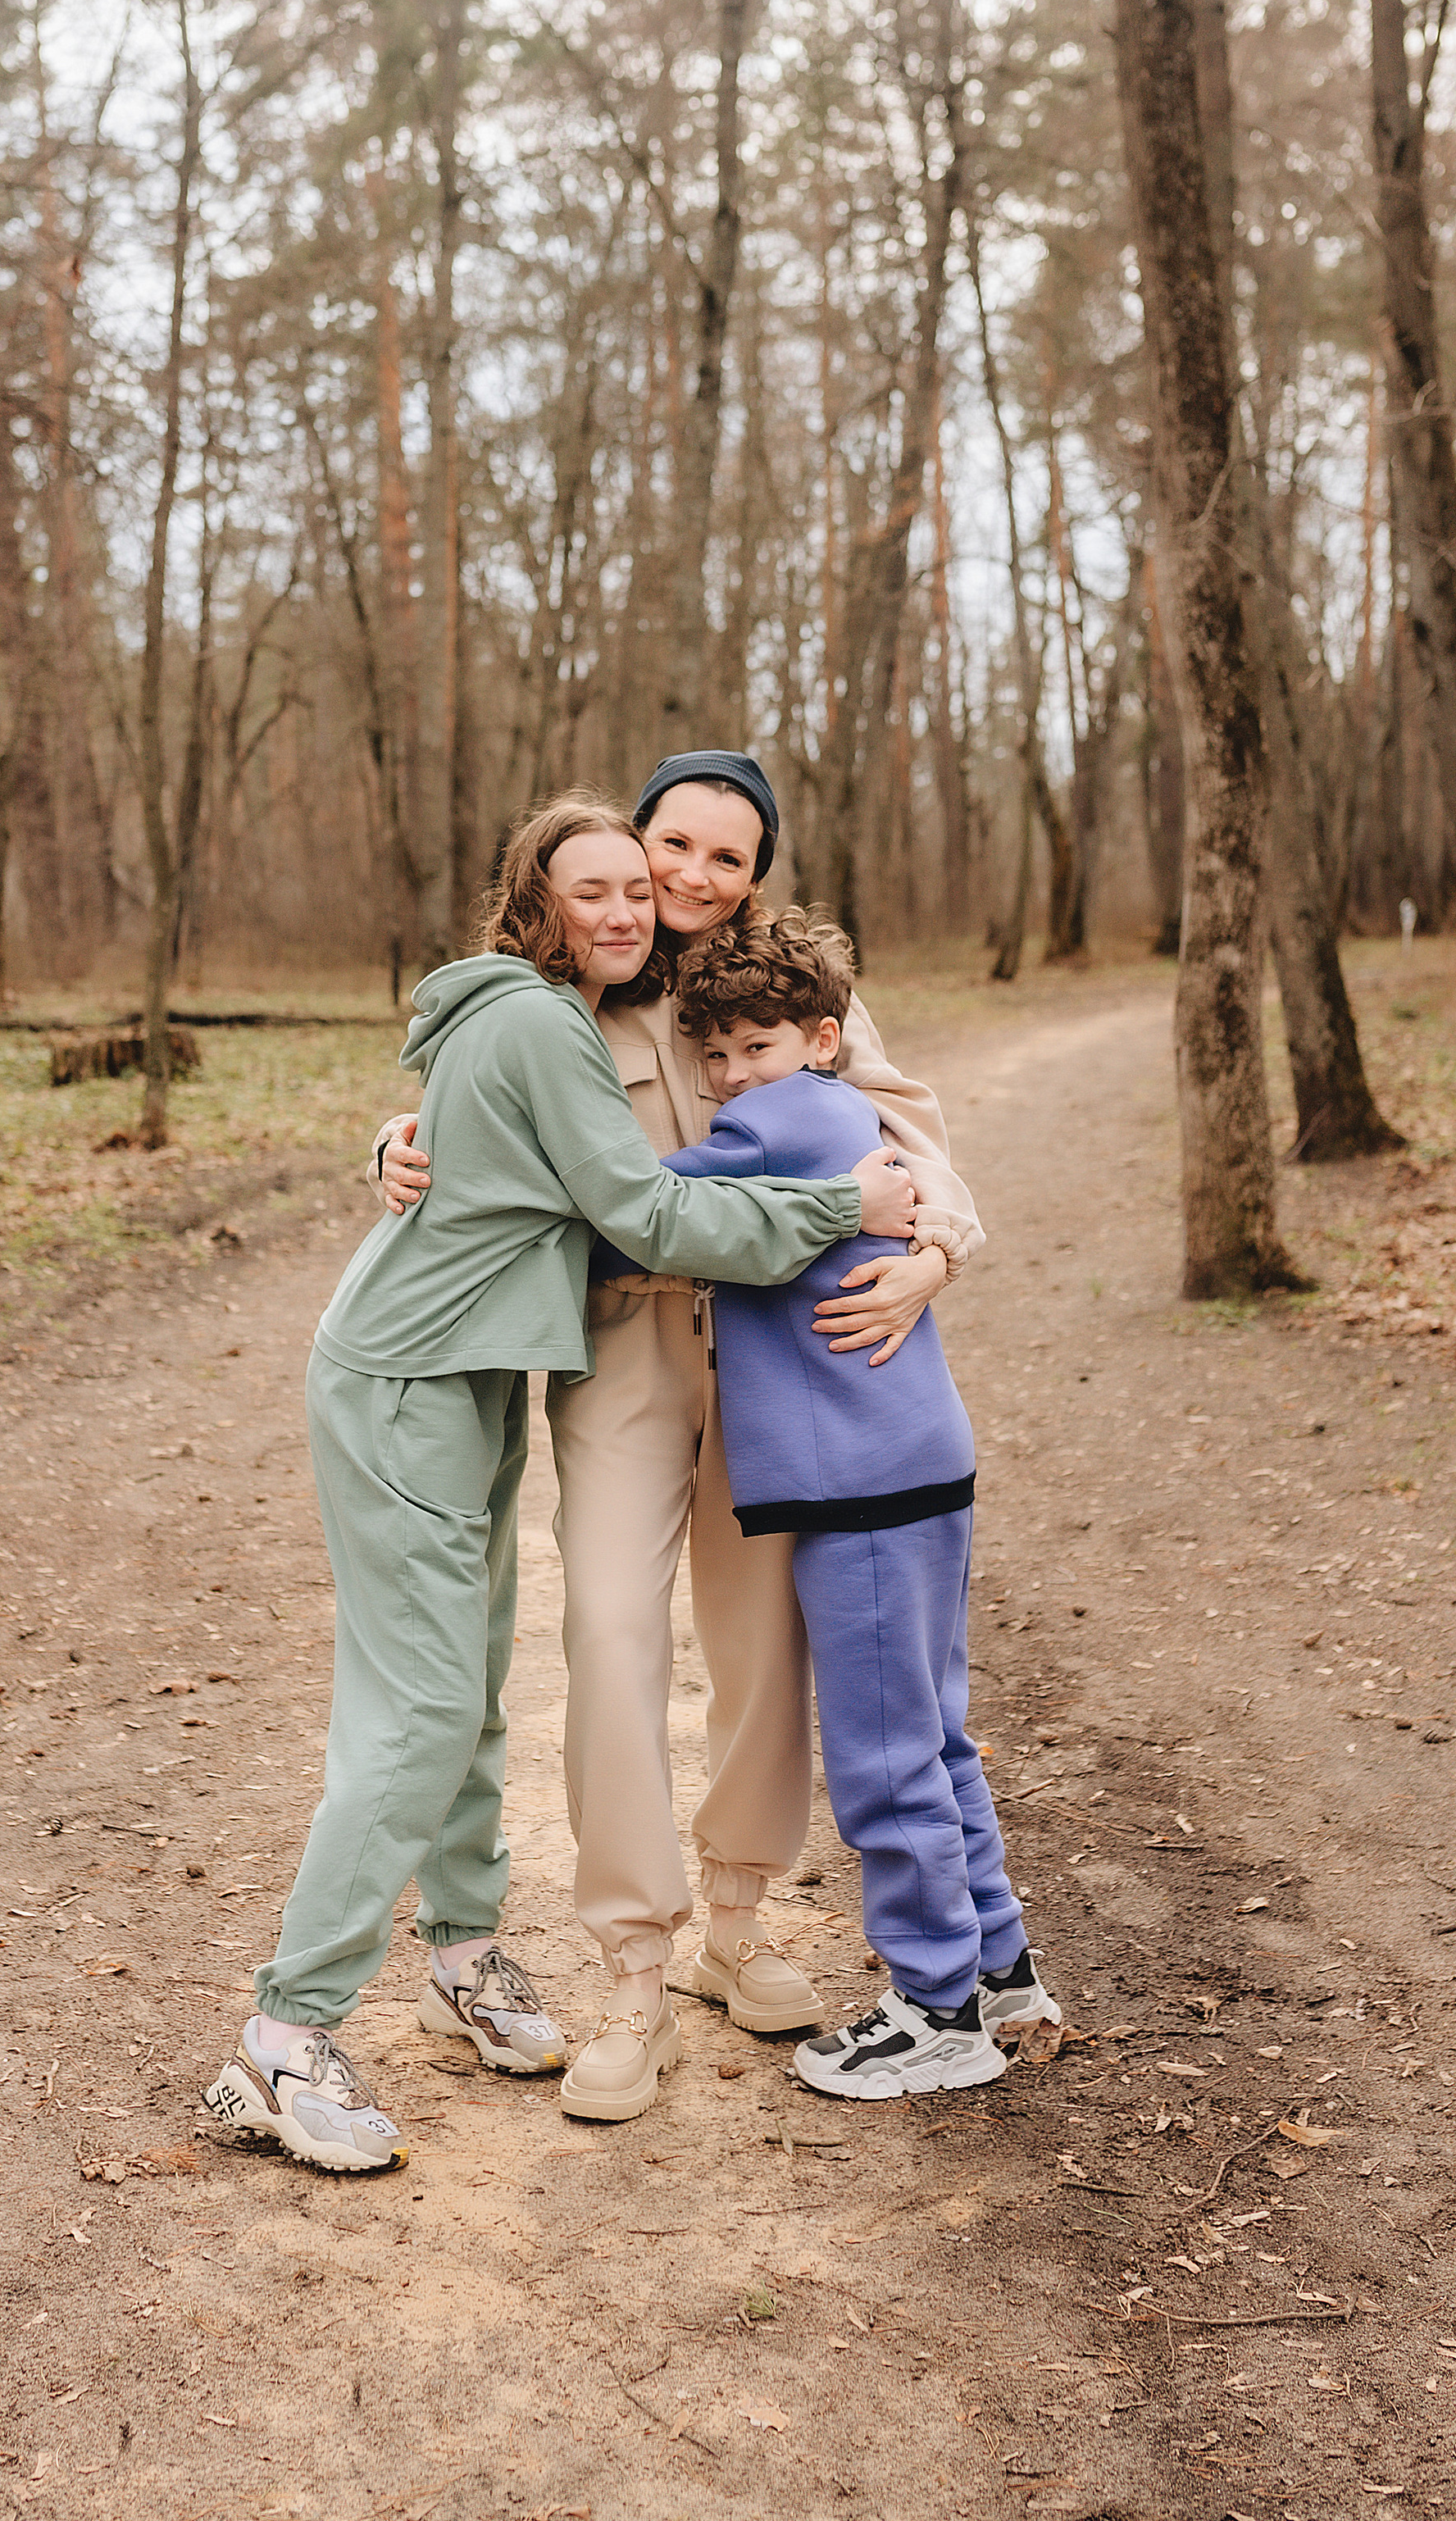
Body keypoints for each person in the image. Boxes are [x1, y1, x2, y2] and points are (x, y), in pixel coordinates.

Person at [201, 797, 917, 2176]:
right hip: (425, 1372)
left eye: (634, 890)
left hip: (478, 1375)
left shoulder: (625, 1002)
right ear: (536, 905)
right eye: (598, 886)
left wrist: (926, 1234)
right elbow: (641, 1210)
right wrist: (838, 1208)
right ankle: (282, 2037)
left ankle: (468, 1953)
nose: (632, 905)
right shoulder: (541, 1019)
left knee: (466, 1687)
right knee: (425, 1706)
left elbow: (880, 1123)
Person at [372, 748, 985, 2124]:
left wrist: (938, 1249)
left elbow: (912, 1144)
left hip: (779, 1357)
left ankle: (735, 1925)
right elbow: (468, 1100)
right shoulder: (564, 982)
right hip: (621, 1346)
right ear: (627, 842)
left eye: (728, 857)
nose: (692, 877)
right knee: (609, 1630)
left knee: (764, 1643)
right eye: (673, 845)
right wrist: (393, 1145)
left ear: (757, 878)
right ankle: (631, 1973)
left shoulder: (792, 990)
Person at [657, 907, 1060, 2099]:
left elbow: (643, 1213)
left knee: (884, 1757)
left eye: (758, 1046)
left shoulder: (775, 1125)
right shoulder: (842, 1113)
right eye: (713, 1054)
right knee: (934, 1732)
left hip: (862, 1485)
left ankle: (937, 2011)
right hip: (915, 1463)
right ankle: (1000, 1969)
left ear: (824, 1038)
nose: (732, 1076)